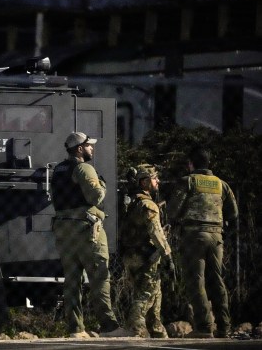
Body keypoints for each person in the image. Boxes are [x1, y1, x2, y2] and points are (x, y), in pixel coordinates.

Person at [51, 132, 132, 338]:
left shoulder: (59, 170)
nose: (92, 149)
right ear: (79, 149)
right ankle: (109, 327)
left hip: (63, 229)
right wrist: (102, 184)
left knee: (72, 280)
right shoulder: (84, 167)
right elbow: (95, 197)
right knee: (100, 276)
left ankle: (75, 329)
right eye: (88, 146)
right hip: (86, 230)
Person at [166, 145, 238, 338]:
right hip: (216, 236)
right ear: (208, 163)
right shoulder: (221, 184)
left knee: (196, 281)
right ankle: (224, 327)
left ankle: (204, 327)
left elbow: (173, 211)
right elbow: (234, 213)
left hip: (193, 236)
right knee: (217, 280)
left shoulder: (188, 181)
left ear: (191, 164)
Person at [120, 164, 175, 338]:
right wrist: (168, 255)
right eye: (154, 178)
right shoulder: (148, 205)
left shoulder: (133, 201)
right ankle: (135, 328)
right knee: (145, 293)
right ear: (144, 182)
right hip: (145, 256)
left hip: (131, 255)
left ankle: (156, 328)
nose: (157, 181)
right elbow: (156, 233)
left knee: (155, 292)